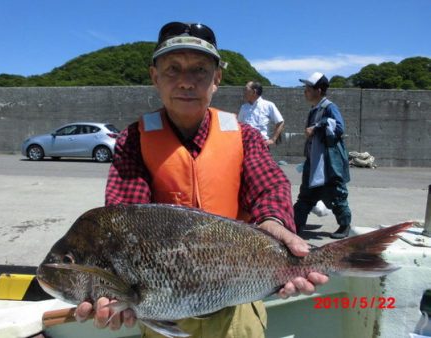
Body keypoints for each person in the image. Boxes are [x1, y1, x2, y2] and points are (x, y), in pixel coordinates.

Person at [75, 22, 328, 337]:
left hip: (236, 300)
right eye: (172, 69)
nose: (186, 82)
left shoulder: (244, 135)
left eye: (199, 70)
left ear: (216, 78)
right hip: (161, 305)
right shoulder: (134, 139)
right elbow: (124, 217)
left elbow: (269, 186)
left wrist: (274, 222)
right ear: (155, 77)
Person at [294, 72, 352, 240]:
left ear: (318, 90)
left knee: (336, 193)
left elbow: (339, 127)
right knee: (305, 194)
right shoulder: (314, 109)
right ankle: (296, 224)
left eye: (308, 88)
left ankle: (344, 225)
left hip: (328, 162)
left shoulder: (330, 107)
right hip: (314, 161)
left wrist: (318, 127)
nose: (305, 91)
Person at [238, 81, 285, 146]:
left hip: (261, 144)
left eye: (246, 89)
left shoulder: (268, 105)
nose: (244, 92)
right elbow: (239, 125)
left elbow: (280, 122)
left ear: (254, 92)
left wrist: (273, 140)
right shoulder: (243, 107)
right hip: (245, 144)